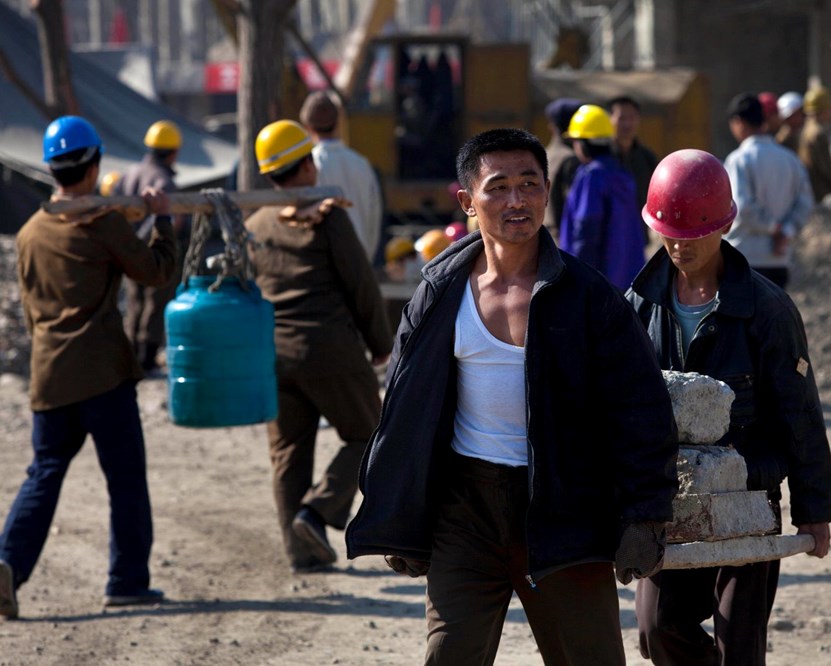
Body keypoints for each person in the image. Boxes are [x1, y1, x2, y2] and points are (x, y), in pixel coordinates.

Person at [346, 128, 679, 665]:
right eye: (498, 187)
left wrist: (646, 515)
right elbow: (404, 408)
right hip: (466, 512)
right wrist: (399, 512)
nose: (516, 200)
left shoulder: (588, 298)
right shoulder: (438, 292)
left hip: (564, 509)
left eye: (529, 184)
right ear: (467, 201)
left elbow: (640, 411)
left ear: (548, 191)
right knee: (449, 656)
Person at [627, 149, 831, 666]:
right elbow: (622, 410)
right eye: (668, 232)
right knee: (658, 631)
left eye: (693, 232)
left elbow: (799, 413)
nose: (679, 245)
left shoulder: (765, 311)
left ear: (723, 225)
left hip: (747, 498)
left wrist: (814, 512)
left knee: (739, 648)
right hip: (669, 499)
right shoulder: (639, 305)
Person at [0, 116, 178, 618]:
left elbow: (33, 307)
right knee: (124, 478)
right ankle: (126, 580)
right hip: (102, 374)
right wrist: (162, 221)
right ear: (94, 162)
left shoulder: (31, 232)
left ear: (52, 168)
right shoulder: (102, 223)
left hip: (50, 375)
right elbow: (156, 272)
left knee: (44, 472)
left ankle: (7, 563)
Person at [244, 120, 393, 574]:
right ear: (307, 164)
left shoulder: (256, 223)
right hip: (330, 350)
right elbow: (360, 283)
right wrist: (381, 343)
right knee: (371, 436)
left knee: (289, 453)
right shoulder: (326, 215)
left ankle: (300, 550)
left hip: (274, 356)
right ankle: (315, 513)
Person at [723, 93, 814, 289]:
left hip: (745, 258)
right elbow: (805, 203)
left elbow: (743, 208)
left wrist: (774, 228)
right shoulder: (790, 159)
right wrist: (786, 231)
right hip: (779, 260)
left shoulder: (739, 159)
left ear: (738, 122)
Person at [119, 119, 186, 375]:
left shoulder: (131, 173)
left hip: (128, 248)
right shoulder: (163, 181)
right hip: (155, 251)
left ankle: (132, 355)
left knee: (134, 302)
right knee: (156, 303)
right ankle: (146, 359)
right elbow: (175, 220)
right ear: (174, 152)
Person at [559, 104, 646, 290]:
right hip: (626, 281)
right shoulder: (622, 173)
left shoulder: (591, 175)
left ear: (583, 143)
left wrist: (578, 277)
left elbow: (586, 227)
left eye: (575, 141)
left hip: (595, 283)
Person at [299, 90, 384, 261]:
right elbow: (375, 214)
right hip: (362, 261)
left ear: (307, 127)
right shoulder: (361, 163)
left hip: (328, 264)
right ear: (338, 123)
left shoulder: (311, 166)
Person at [608, 95, 660, 221]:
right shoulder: (601, 157)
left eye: (632, 118)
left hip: (639, 232)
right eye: (621, 118)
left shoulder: (647, 158)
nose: (627, 124)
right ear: (610, 119)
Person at [541, 97, 582, 239]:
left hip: (543, 236)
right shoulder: (572, 159)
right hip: (564, 240)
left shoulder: (544, 154)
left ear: (552, 126)